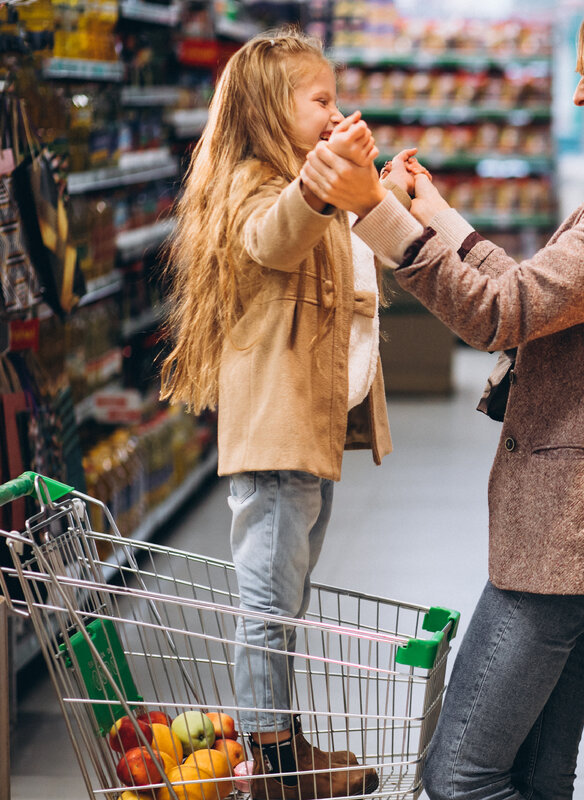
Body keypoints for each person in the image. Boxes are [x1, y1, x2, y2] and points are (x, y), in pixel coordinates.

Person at [299, 0, 584, 796]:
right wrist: (430, 215)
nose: (578, 96)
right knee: (539, 775)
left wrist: (371, 211)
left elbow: (499, 316)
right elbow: (540, 300)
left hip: (567, 531)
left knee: (460, 776)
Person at [158, 28, 393, 800]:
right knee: (267, 607)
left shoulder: (295, 176)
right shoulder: (258, 188)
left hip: (305, 433)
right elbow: (276, 237)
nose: (335, 108)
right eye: (320, 99)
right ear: (269, 107)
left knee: (283, 605)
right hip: (276, 433)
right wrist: (325, 179)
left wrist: (374, 190)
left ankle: (284, 745)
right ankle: (274, 764)